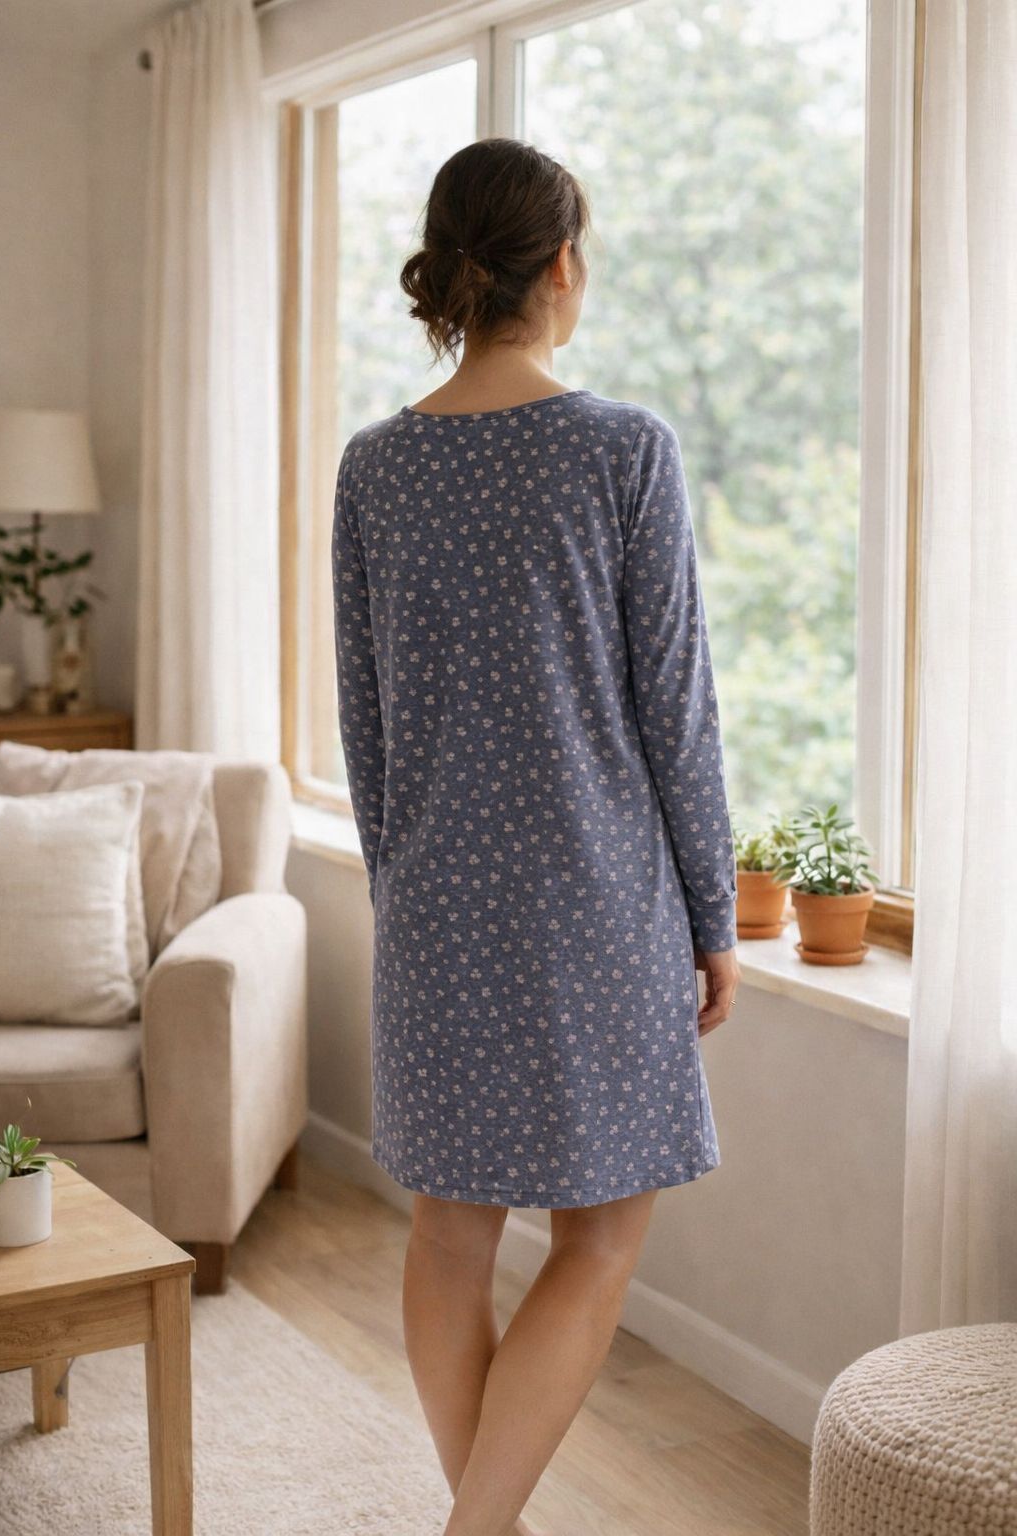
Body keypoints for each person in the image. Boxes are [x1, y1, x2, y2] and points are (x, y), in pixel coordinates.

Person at [331, 135, 740, 1536]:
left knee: (449, 1233)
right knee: (602, 1237)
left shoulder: (375, 468)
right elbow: (676, 712)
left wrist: (406, 892)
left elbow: (367, 727)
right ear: (562, 264)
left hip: (435, 908)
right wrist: (713, 915)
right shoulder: (625, 450)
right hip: (596, 908)